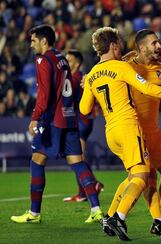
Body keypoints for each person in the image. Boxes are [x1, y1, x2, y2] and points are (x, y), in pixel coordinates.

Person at [79, 27, 161, 241]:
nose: (122, 47)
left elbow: (84, 110)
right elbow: (149, 88)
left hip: (110, 131)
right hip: (129, 127)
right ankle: (118, 217)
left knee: (135, 176)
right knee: (142, 176)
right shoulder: (122, 67)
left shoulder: (93, 73)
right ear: (113, 46)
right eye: (119, 44)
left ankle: (118, 217)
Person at [11, 24, 103, 224]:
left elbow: (44, 95)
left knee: (37, 161)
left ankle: (34, 214)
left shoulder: (42, 60)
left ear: (44, 40)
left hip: (52, 120)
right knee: (77, 161)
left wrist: (35, 117)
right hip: (69, 118)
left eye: (34, 40)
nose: (31, 44)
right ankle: (96, 209)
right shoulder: (61, 58)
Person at [63, 49, 104, 202]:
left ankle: (89, 188)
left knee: (77, 158)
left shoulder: (76, 78)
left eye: (70, 60)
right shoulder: (78, 78)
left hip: (81, 122)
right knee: (77, 158)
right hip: (82, 121)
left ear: (78, 63)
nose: (66, 63)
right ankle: (87, 189)